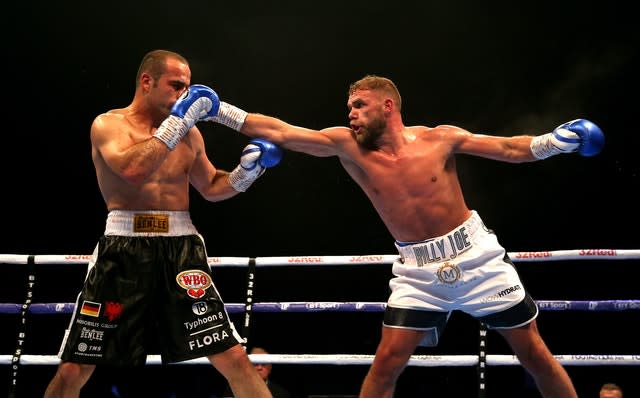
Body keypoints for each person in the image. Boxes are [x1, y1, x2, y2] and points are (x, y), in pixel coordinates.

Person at [202, 75, 605, 398]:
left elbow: (510, 149)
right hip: (418, 272)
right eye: (350, 107)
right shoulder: (347, 146)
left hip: (476, 256)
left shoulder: (439, 139)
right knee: (387, 363)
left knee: (532, 352)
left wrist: (555, 143)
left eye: (359, 105)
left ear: (387, 106)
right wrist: (219, 110)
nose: (351, 114)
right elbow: (283, 132)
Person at [43, 49, 282, 398]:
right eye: (175, 85)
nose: (184, 95)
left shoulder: (190, 135)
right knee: (75, 366)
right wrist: (177, 123)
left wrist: (247, 173)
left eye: (187, 88)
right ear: (146, 81)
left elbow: (212, 186)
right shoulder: (109, 125)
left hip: (181, 247)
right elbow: (133, 170)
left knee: (233, 357)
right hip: (124, 247)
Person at [222, 347, 294, 398]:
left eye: (264, 364)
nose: (259, 367)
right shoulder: (232, 388)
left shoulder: (282, 394)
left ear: (270, 367)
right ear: (248, 365)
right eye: (255, 364)